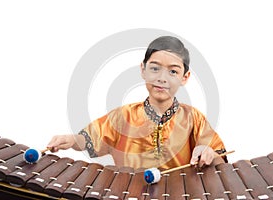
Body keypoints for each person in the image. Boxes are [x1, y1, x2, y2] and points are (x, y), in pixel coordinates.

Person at [47, 36, 227, 170]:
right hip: (127, 194)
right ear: (143, 70)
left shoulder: (193, 117)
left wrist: (207, 151)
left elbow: (219, 158)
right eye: (155, 69)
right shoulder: (122, 116)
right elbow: (88, 140)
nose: (162, 78)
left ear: (184, 77)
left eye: (173, 72)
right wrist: (71, 140)